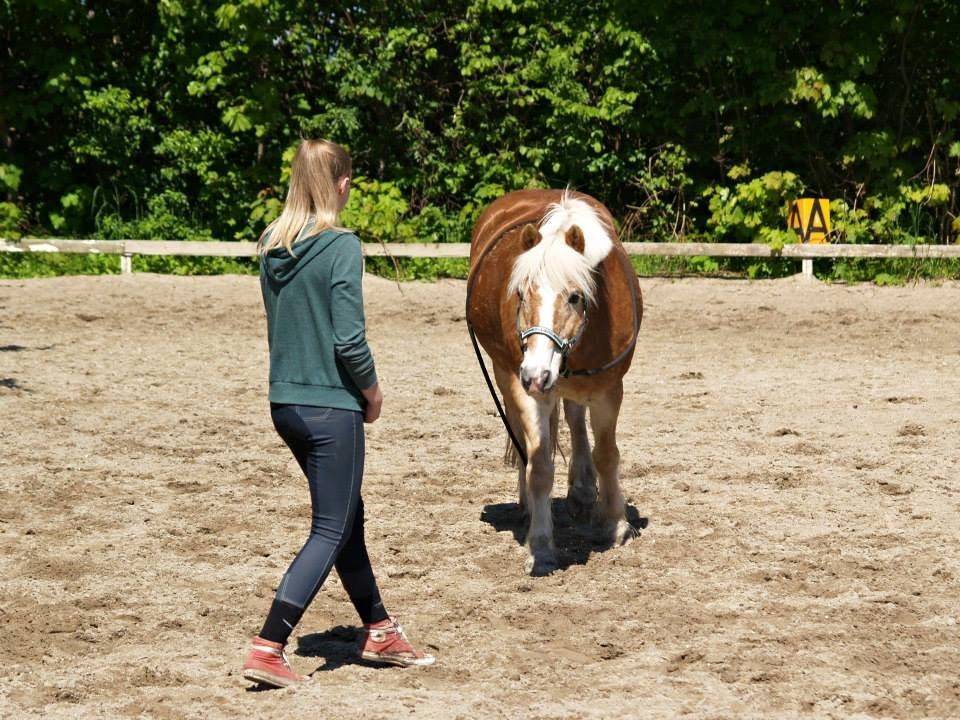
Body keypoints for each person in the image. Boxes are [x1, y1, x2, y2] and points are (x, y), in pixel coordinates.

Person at [241, 139, 434, 688]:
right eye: (348, 180)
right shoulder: (341, 245)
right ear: (340, 184)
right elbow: (350, 340)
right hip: (331, 406)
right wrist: (371, 392)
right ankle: (268, 645)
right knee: (329, 528)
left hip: (286, 403)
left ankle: (379, 628)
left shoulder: (271, 246)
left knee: (346, 515)